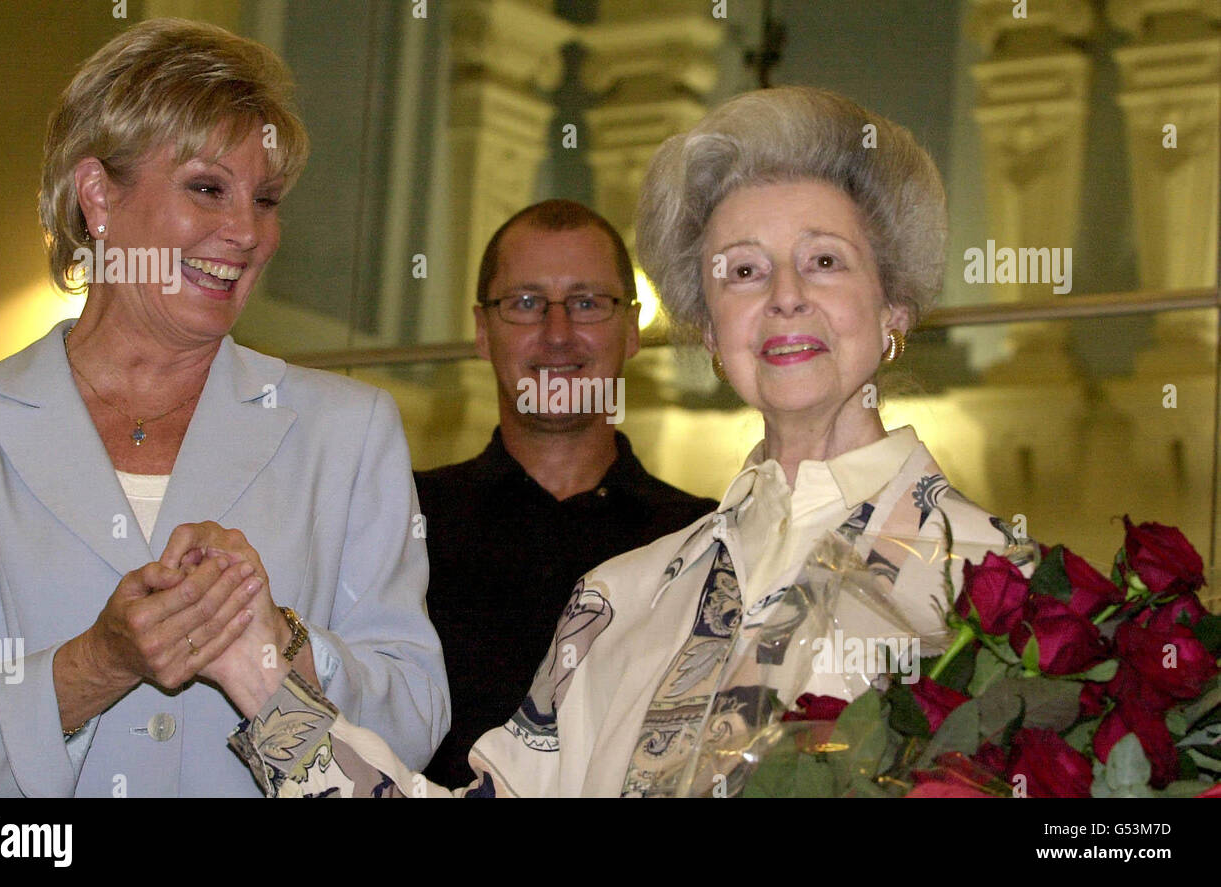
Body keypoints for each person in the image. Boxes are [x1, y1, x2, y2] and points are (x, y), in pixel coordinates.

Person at [219, 86, 1034, 797]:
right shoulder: (620, 599)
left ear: (893, 305)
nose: (785, 297)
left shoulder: (997, 584)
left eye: (824, 260)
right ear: (710, 330)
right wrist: (254, 668)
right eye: (742, 272)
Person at [0, 18, 447, 797]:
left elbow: (413, 718)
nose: (246, 232)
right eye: (208, 188)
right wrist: (99, 663)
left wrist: (282, 644)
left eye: (265, 199)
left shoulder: (348, 430)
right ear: (98, 196)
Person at [416, 200, 716, 786]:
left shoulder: (702, 538)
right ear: (482, 331)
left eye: (586, 303)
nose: (557, 334)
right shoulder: (404, 519)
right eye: (525, 304)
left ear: (631, 329)